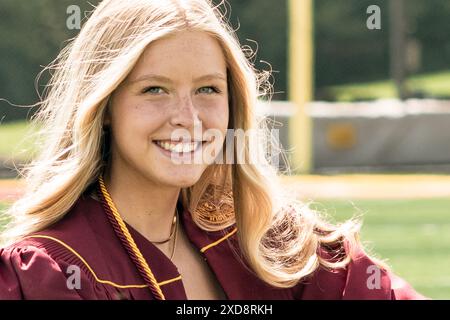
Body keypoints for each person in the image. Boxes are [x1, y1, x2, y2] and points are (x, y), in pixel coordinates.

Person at [0, 0, 425, 300]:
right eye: (155, 90)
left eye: (208, 89)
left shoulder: (265, 238)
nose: (188, 117)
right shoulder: (50, 271)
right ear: (105, 106)